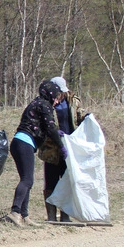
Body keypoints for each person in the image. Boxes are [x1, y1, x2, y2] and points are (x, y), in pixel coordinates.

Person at [6, 80, 66, 227]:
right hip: (24, 143)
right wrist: (61, 146)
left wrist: (55, 131)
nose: (57, 102)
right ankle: (15, 212)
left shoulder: (37, 103)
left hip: (19, 143)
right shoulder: (45, 105)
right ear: (50, 95)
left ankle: (24, 215)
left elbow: (43, 125)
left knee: (26, 180)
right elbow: (50, 127)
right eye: (56, 98)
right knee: (27, 180)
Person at [39, 76, 87, 222]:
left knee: (67, 181)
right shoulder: (46, 102)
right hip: (51, 148)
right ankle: (51, 216)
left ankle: (65, 215)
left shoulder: (73, 101)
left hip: (70, 147)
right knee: (51, 181)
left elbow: (78, 117)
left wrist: (86, 118)